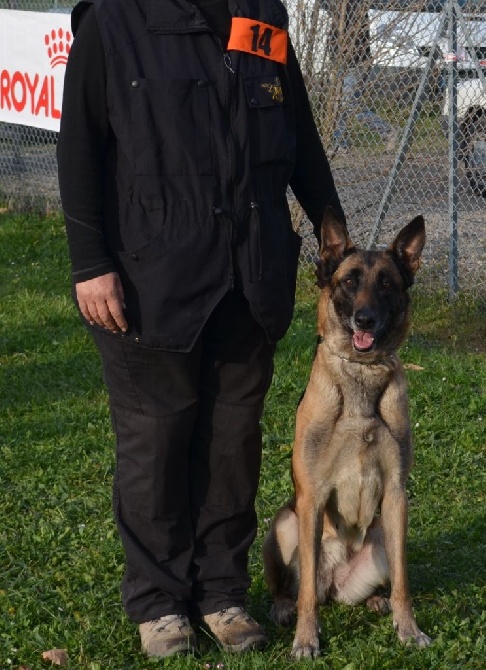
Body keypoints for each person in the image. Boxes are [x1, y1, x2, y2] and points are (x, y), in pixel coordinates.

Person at [57, 0, 345, 659]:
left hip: (250, 276)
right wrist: (91, 264)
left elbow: (297, 134)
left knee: (232, 444)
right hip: (148, 280)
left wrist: (341, 249)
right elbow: (79, 148)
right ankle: (160, 605)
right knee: (156, 445)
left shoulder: (263, 17)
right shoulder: (114, 22)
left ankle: (221, 593)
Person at [329, 0, 398, 154]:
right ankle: (340, 144)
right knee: (337, 106)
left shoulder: (354, 6)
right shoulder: (337, 7)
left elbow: (353, 37)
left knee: (350, 104)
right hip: (340, 62)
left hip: (356, 63)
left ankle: (386, 131)